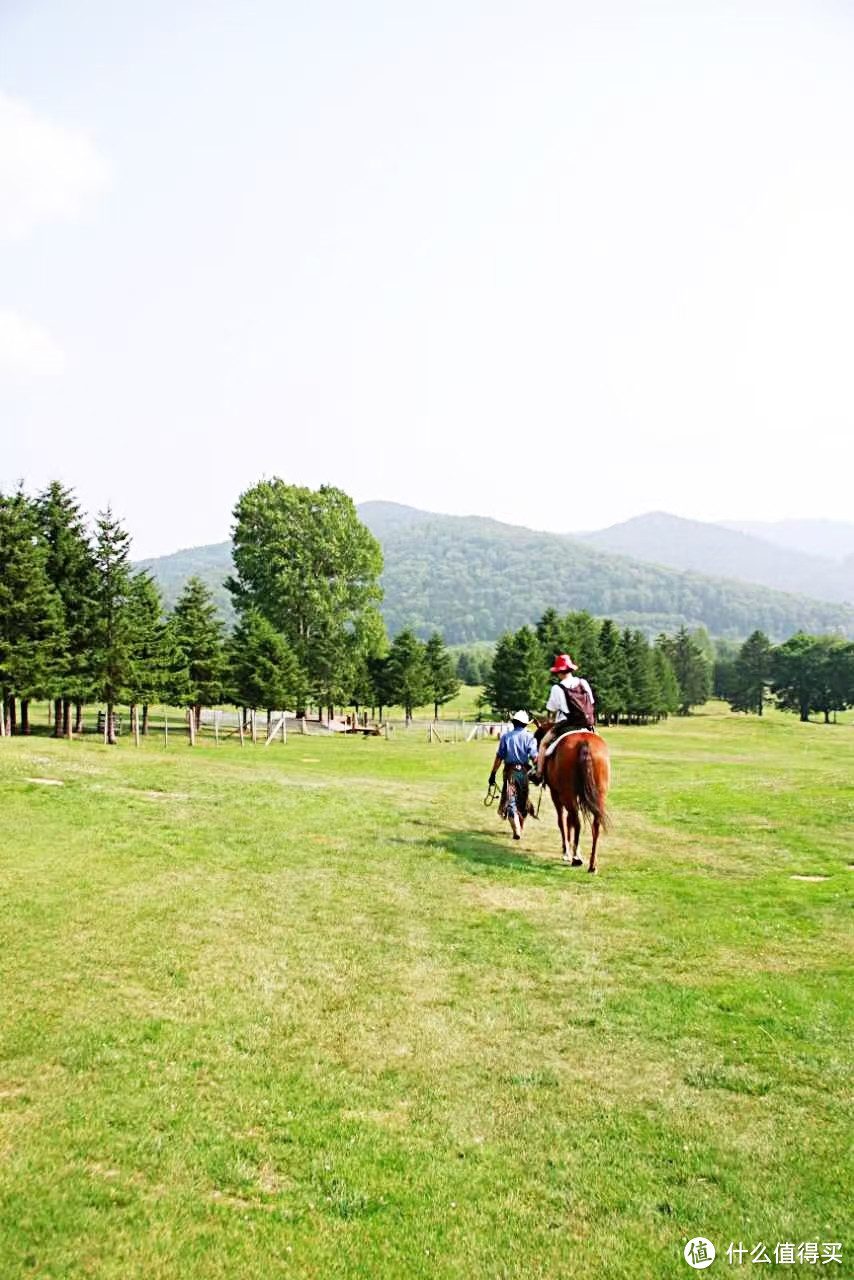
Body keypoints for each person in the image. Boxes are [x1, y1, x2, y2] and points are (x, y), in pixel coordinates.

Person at [530, 654, 595, 784]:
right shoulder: (583, 682)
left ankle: (538, 773)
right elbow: (591, 702)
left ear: (559, 672)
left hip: (566, 724)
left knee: (543, 743)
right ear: (570, 669)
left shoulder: (557, 688)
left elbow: (552, 709)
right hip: (587, 724)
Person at [488, 709, 538, 840]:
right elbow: (534, 757)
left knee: (510, 801)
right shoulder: (530, 737)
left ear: (514, 723)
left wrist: (493, 774)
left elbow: (499, 758)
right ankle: (519, 827)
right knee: (522, 801)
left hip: (510, 772)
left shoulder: (506, 737)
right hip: (524, 773)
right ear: (525, 724)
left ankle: (516, 829)